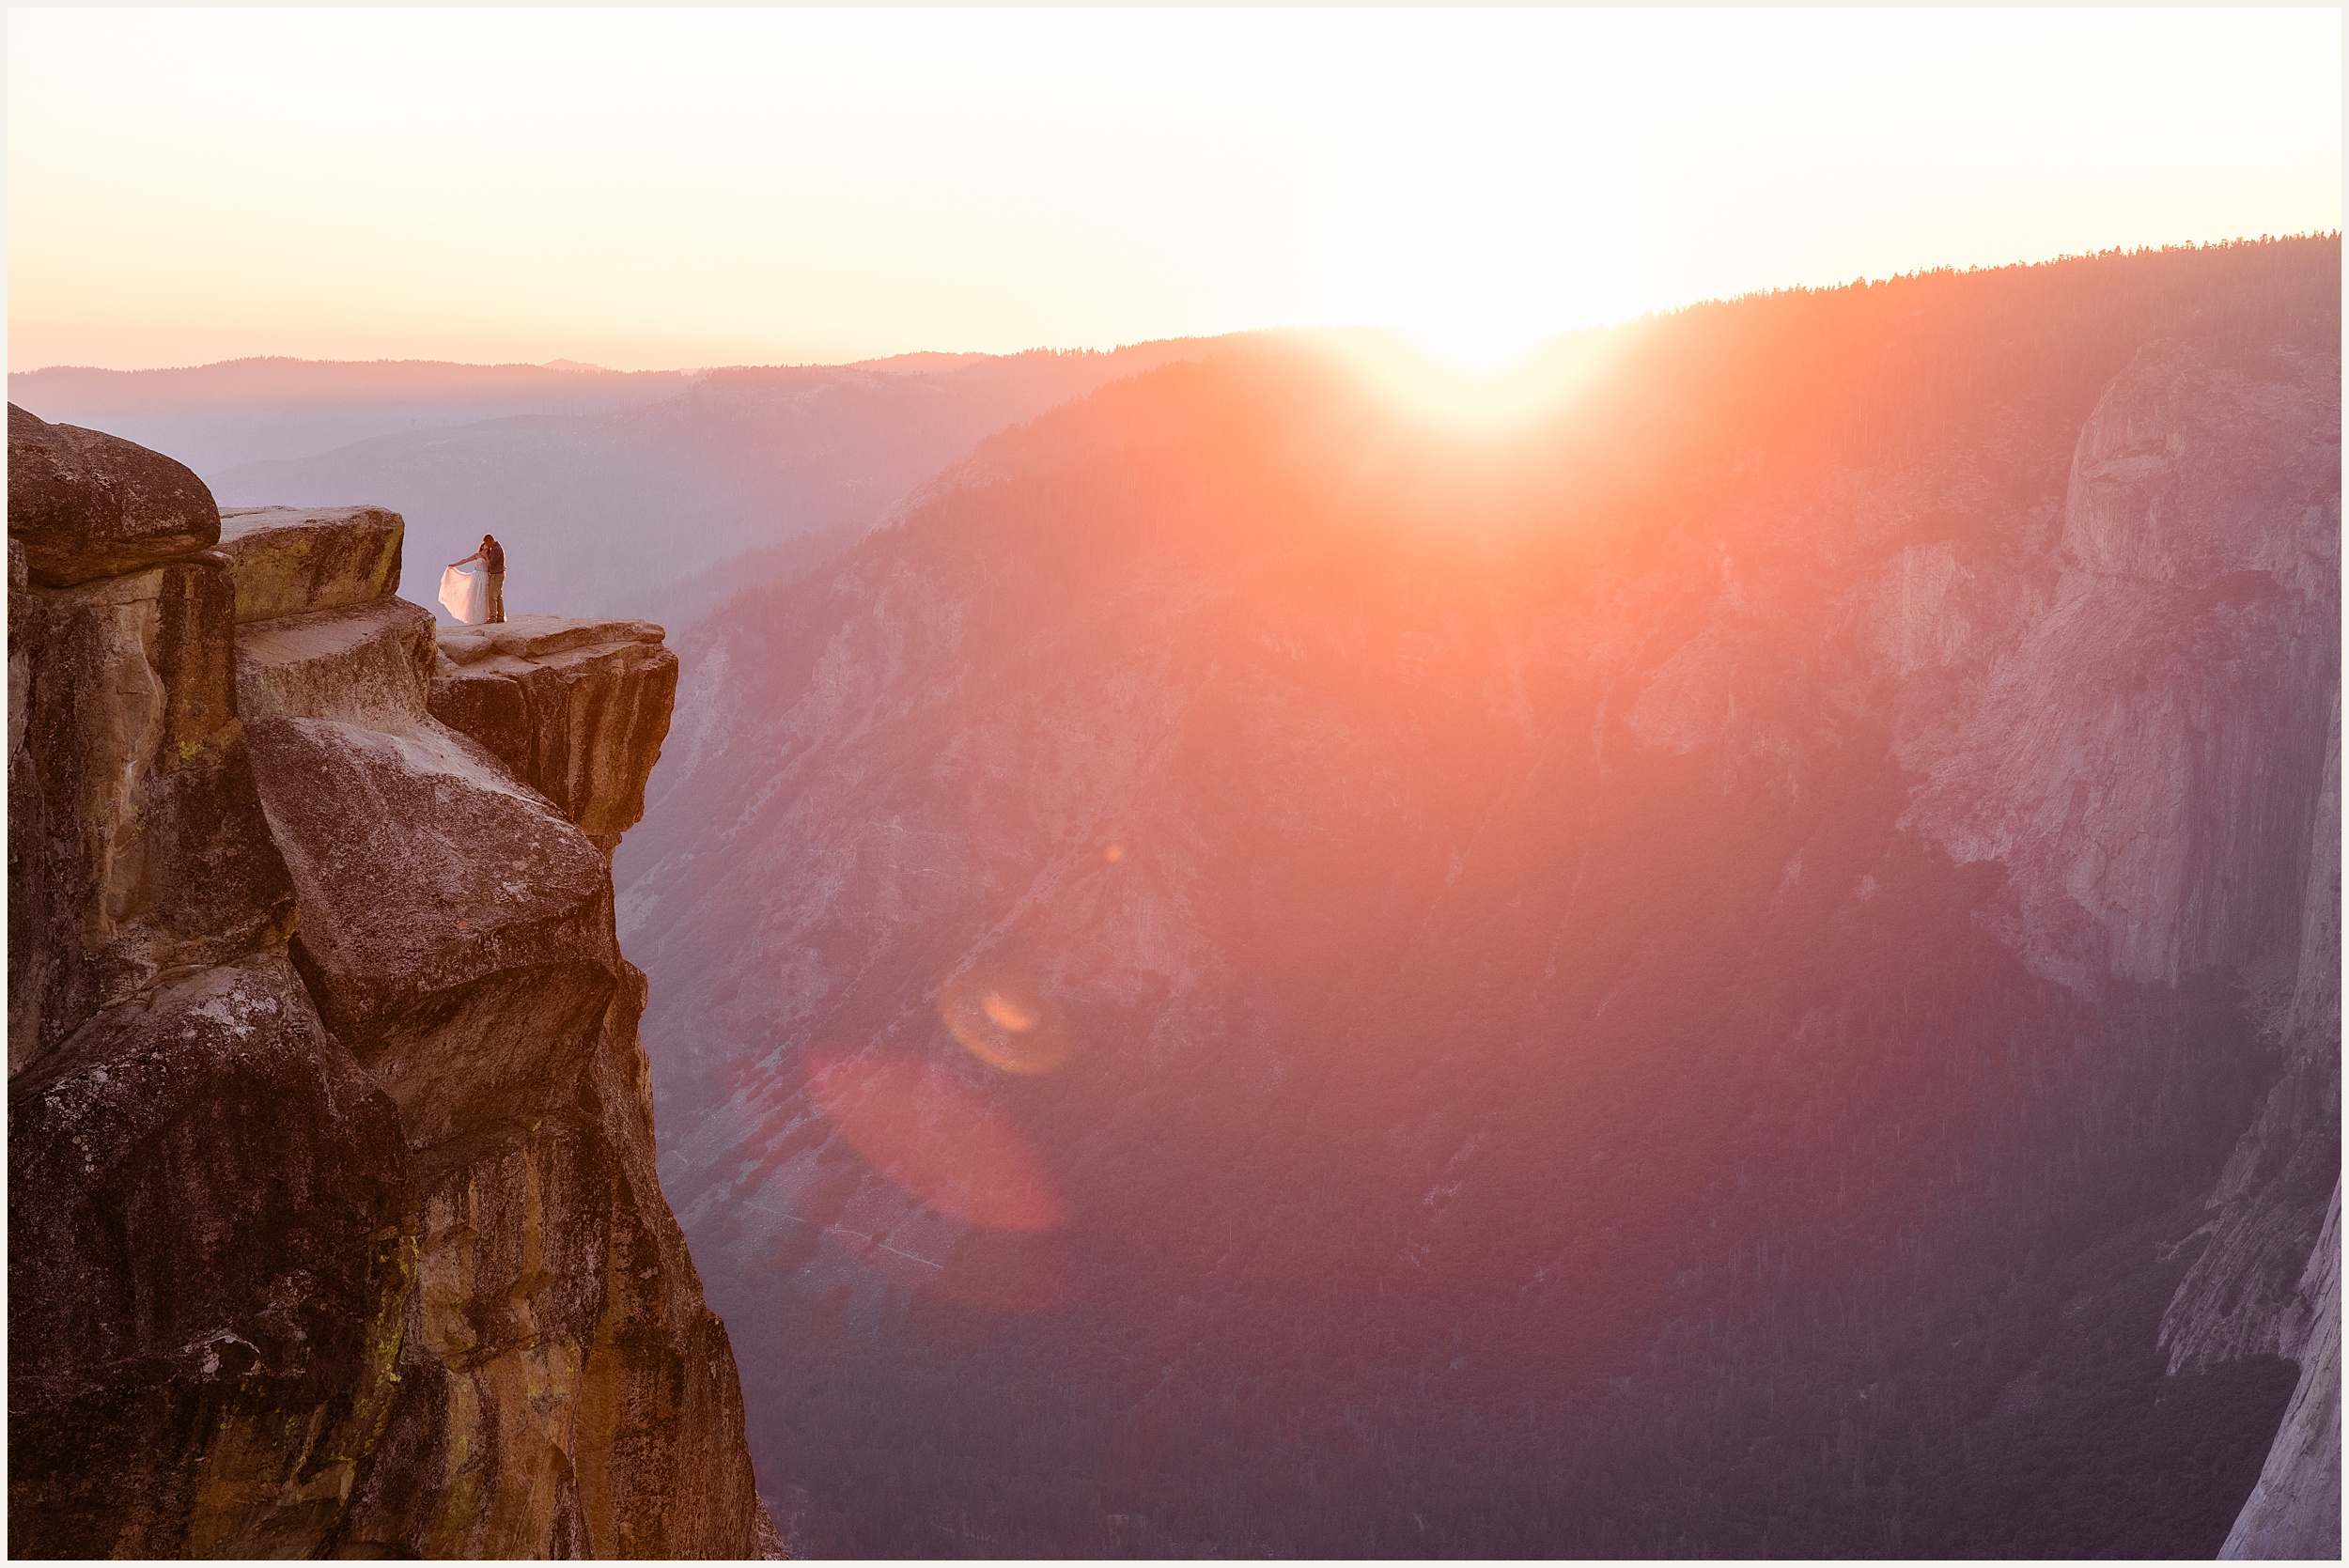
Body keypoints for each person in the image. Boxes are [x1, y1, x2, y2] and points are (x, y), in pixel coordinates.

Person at [449, 534, 506, 623]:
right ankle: (498, 616)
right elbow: (466, 560)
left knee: (492, 596)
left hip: (490, 576)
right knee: (492, 596)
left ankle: (494, 617)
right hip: (483, 577)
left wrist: (487, 557)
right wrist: (454, 565)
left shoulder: (494, 551)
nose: (485, 546)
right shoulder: (484, 553)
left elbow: (491, 564)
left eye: (486, 544)